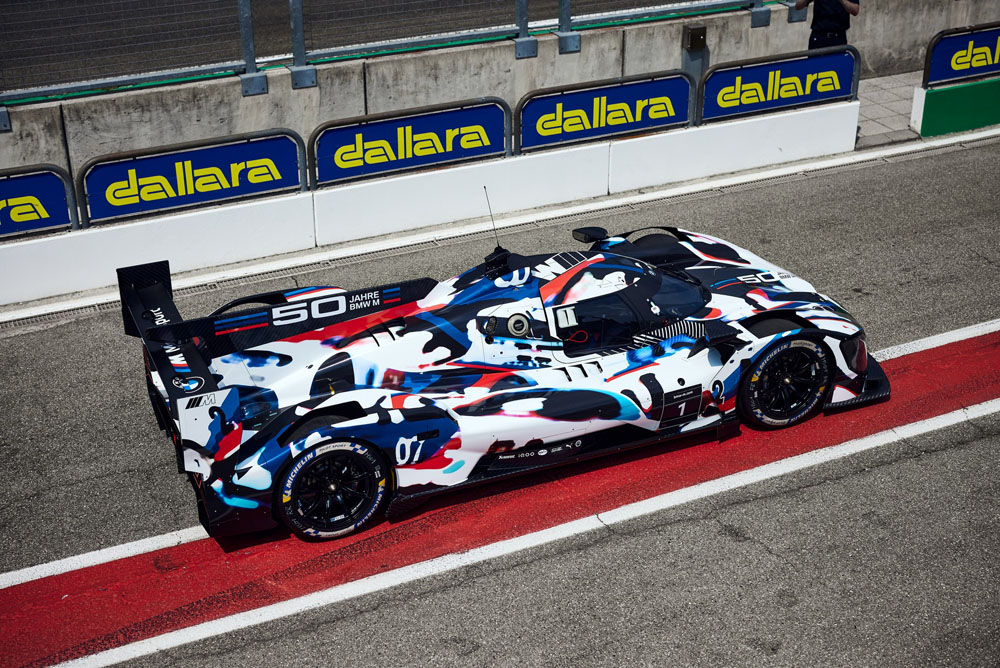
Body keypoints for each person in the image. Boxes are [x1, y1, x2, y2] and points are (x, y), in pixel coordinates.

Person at [795, 0, 860, 49]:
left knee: (838, 63)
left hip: (839, 38)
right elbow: (798, 6)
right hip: (819, 37)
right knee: (816, 63)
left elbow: (855, 10)